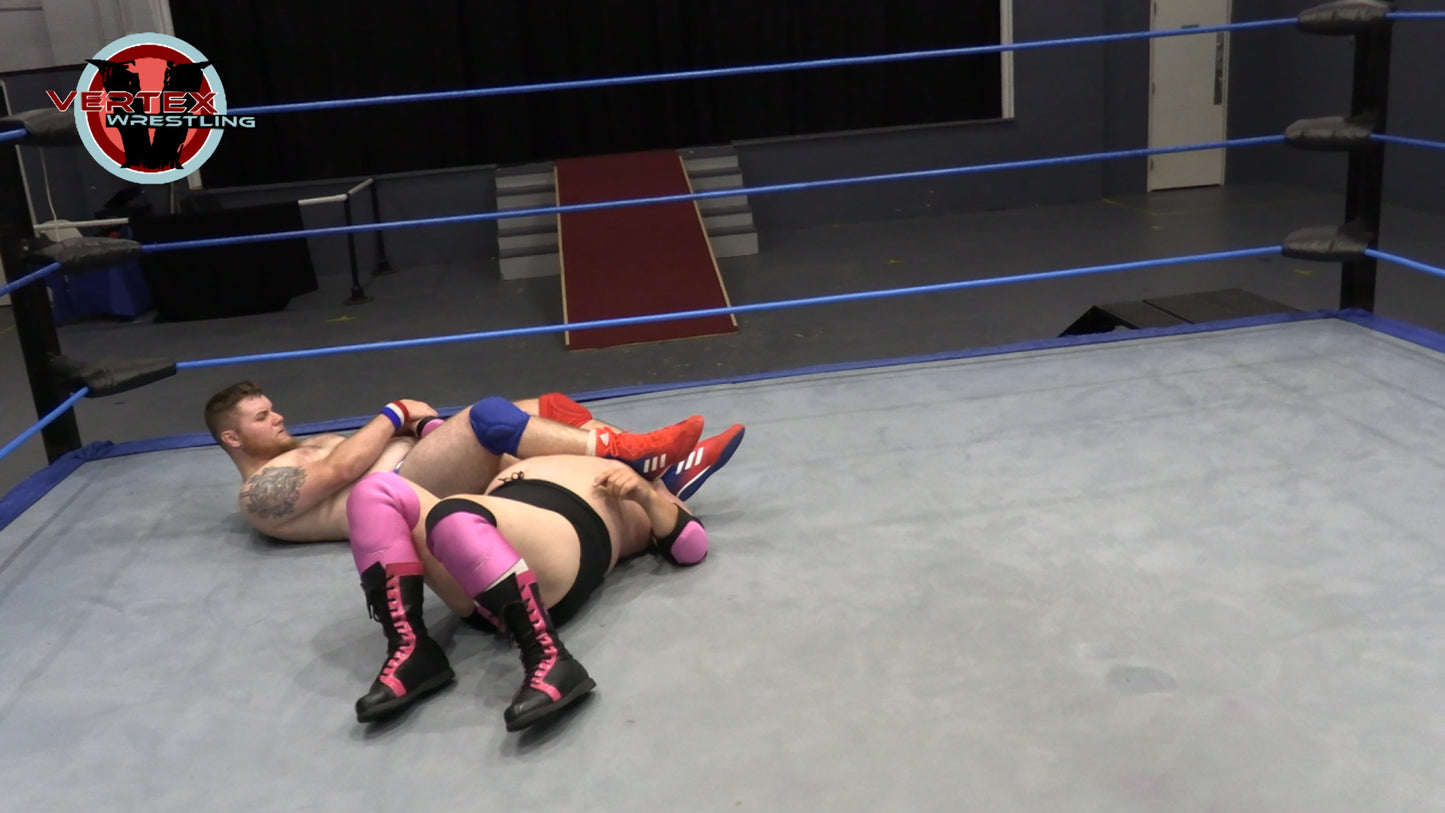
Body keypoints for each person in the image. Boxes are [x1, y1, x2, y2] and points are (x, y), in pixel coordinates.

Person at [202, 381, 743, 619]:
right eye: (262, 417)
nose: (279, 418)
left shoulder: (306, 444)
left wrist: (427, 427)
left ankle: (660, 474)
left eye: (272, 410)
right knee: (489, 417)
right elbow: (345, 470)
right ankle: (640, 461)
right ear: (232, 438)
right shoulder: (260, 492)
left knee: (551, 410)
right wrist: (394, 413)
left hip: (425, 467)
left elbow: (370, 448)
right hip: (414, 494)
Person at [344, 452, 712, 730]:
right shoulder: (531, 445)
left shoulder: (643, 479)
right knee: (375, 490)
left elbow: (691, 546)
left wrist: (646, 495)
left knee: (455, 516)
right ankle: (411, 648)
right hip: (475, 556)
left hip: (559, 549)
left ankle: (549, 658)